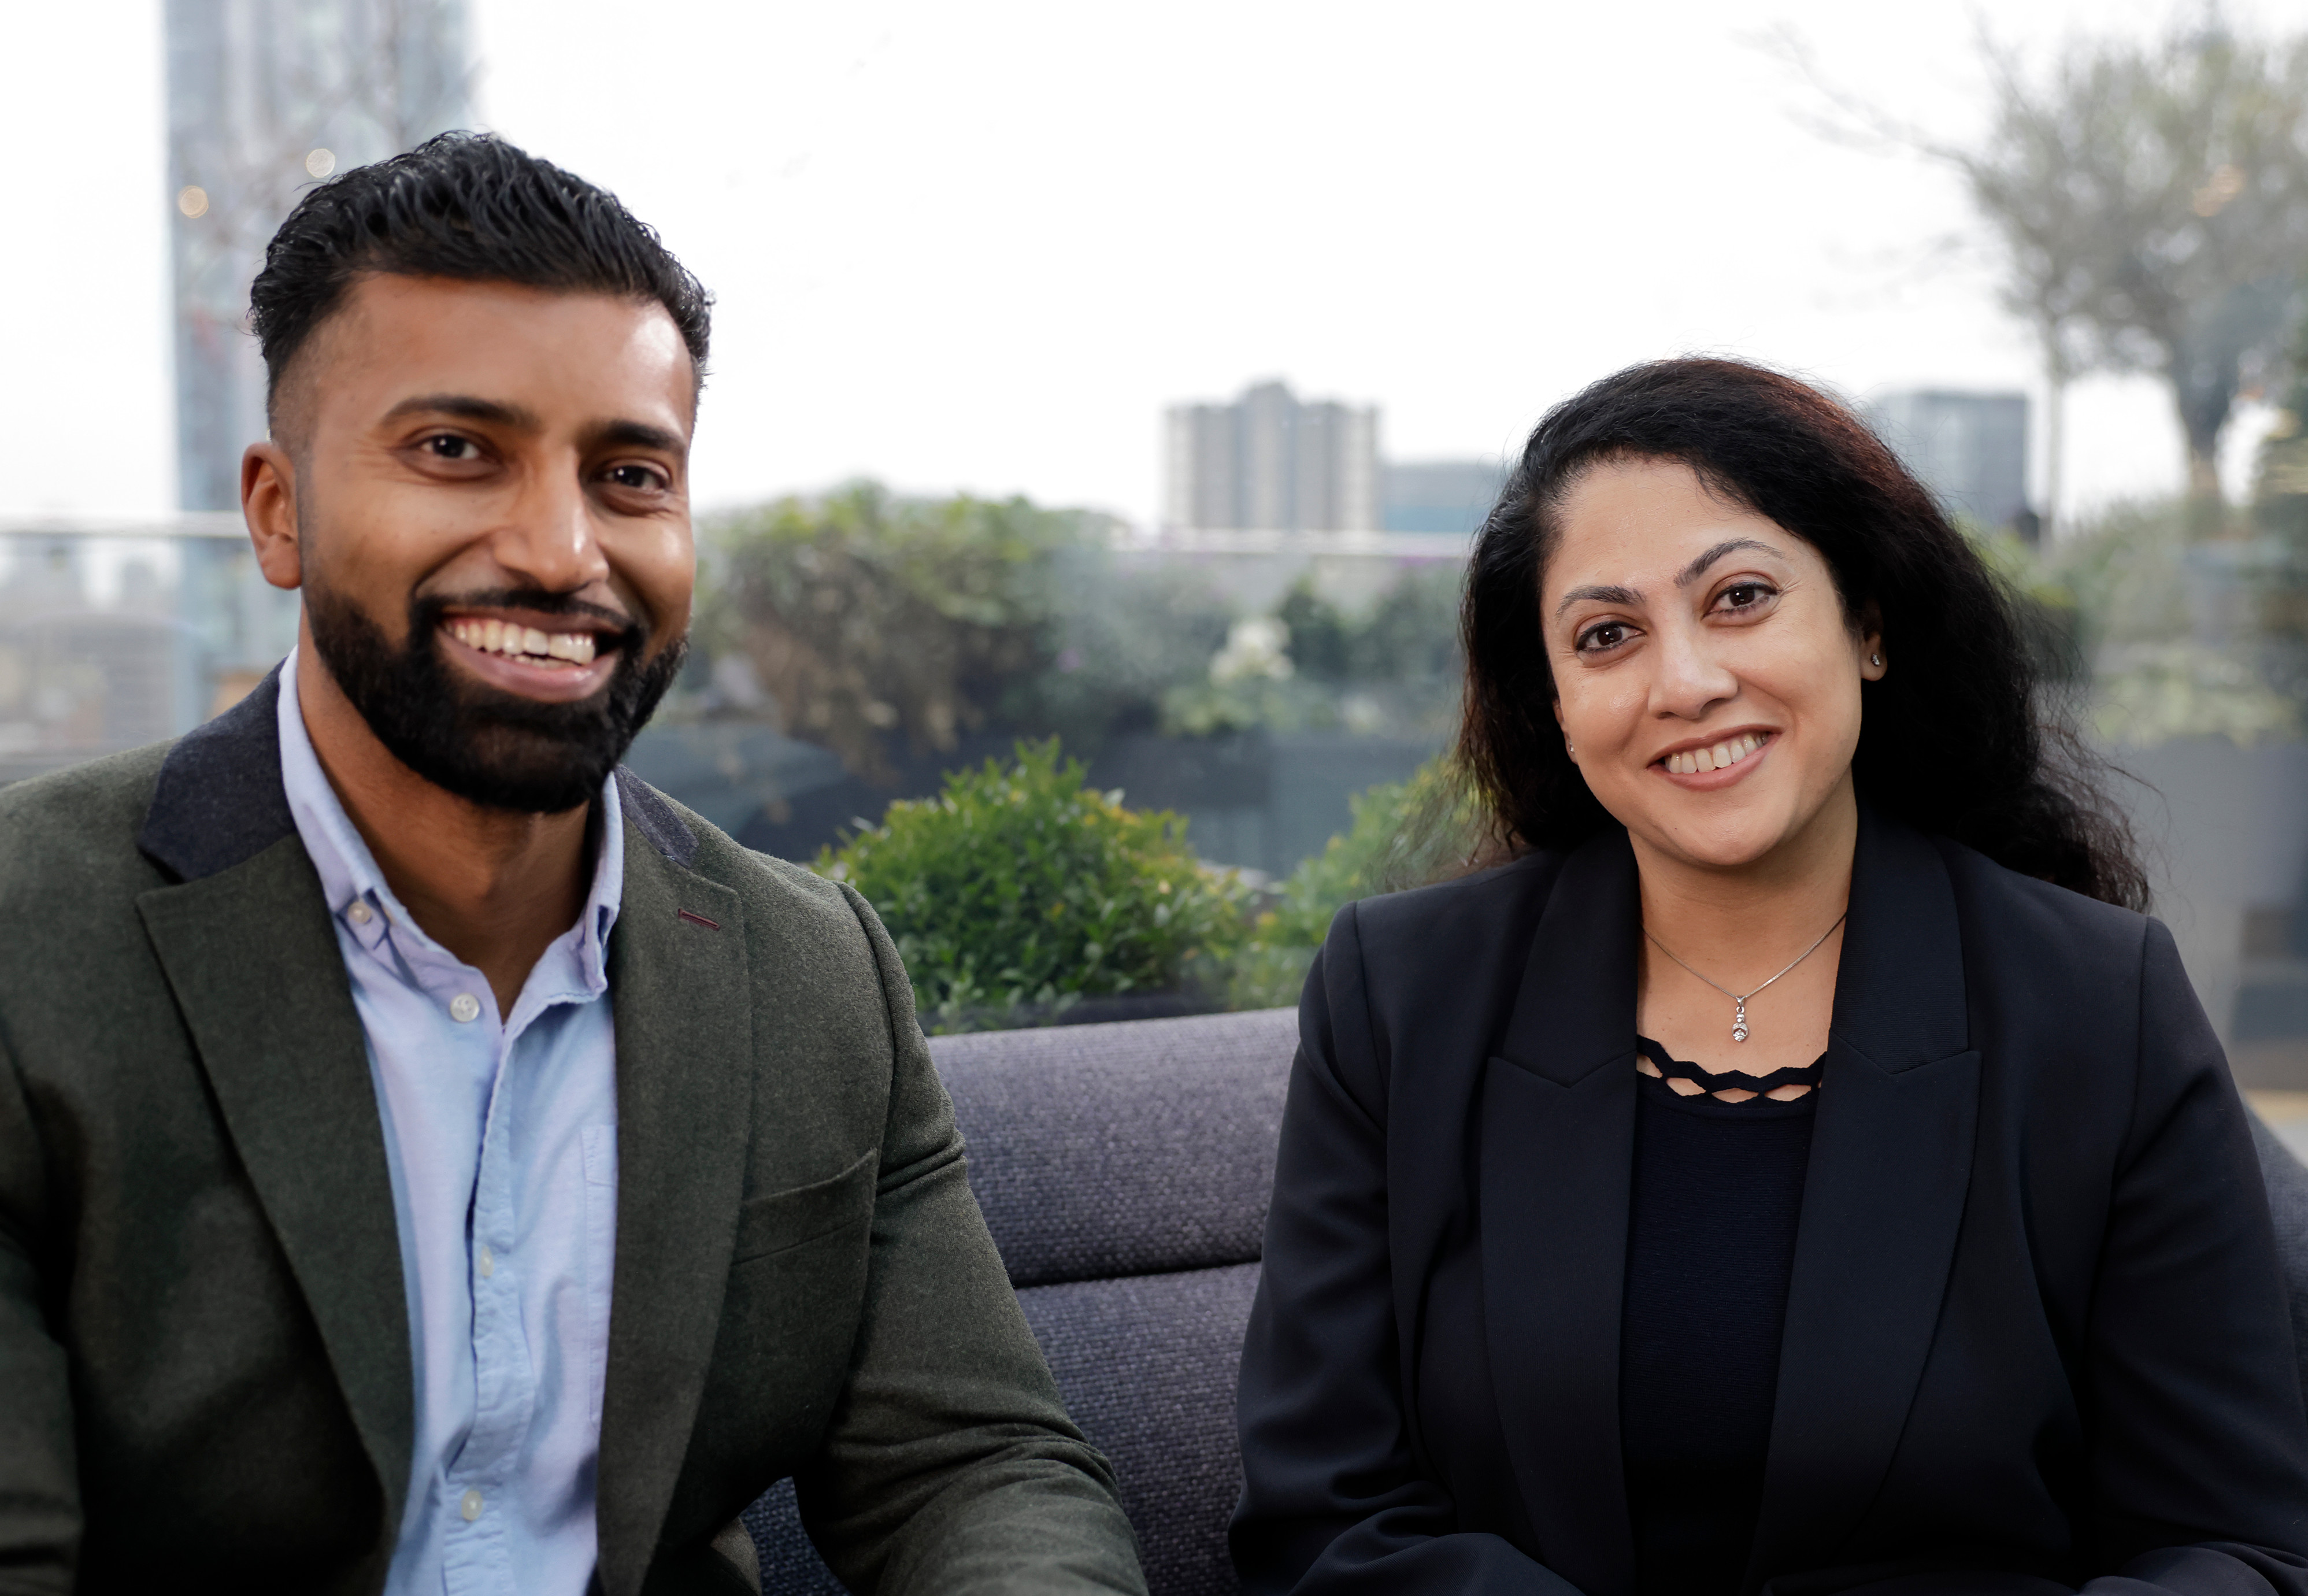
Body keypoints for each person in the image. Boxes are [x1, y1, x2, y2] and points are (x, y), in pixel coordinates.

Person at [0, 134, 1144, 1596]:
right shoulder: (31, 938)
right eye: (455, 451)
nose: (559, 549)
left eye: (627, 474)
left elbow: (970, 1467)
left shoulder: (812, 972)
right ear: (278, 511)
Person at [1231, 358, 2308, 1596]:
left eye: (1738, 597)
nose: (1683, 681)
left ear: (1868, 624)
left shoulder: (2092, 1004)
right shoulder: (1402, 994)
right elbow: (1320, 1515)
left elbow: (2233, 1546)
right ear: (1557, 701)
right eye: (1606, 634)